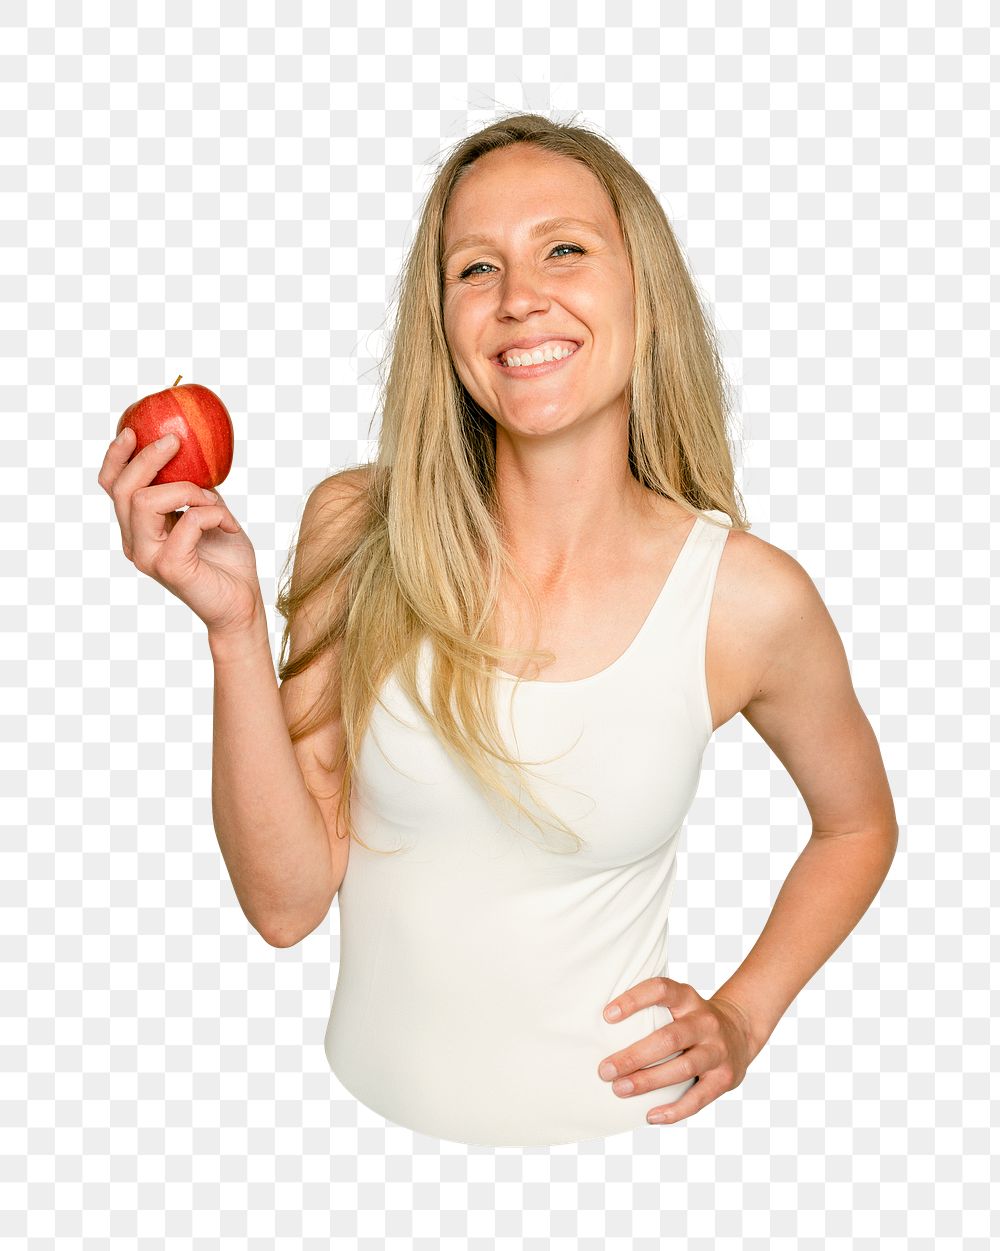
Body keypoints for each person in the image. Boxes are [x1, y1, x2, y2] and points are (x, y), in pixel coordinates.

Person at [98, 111, 899, 1149]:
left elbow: (857, 826)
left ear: (641, 289)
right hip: (356, 1154)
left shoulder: (745, 598)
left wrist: (745, 1015)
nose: (520, 298)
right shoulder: (358, 528)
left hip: (622, 1161)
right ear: (443, 323)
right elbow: (286, 903)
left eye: (563, 249)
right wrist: (235, 629)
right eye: (475, 268)